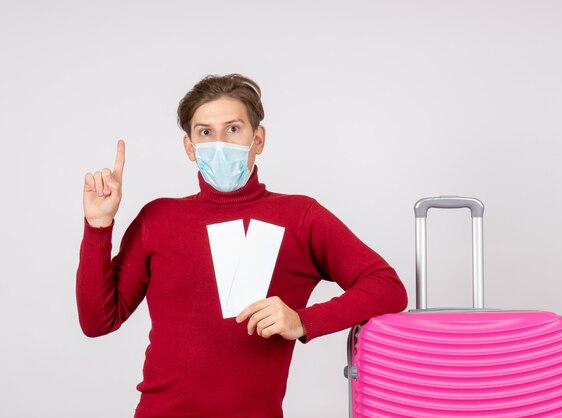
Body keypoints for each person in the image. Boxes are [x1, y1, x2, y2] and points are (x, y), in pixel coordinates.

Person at [77, 73, 408, 418]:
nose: (219, 142)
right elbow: (98, 321)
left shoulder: (299, 216)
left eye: (233, 129)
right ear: (189, 147)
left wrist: (303, 320)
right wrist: (98, 226)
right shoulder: (157, 219)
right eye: (205, 132)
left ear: (258, 138)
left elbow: (387, 287)